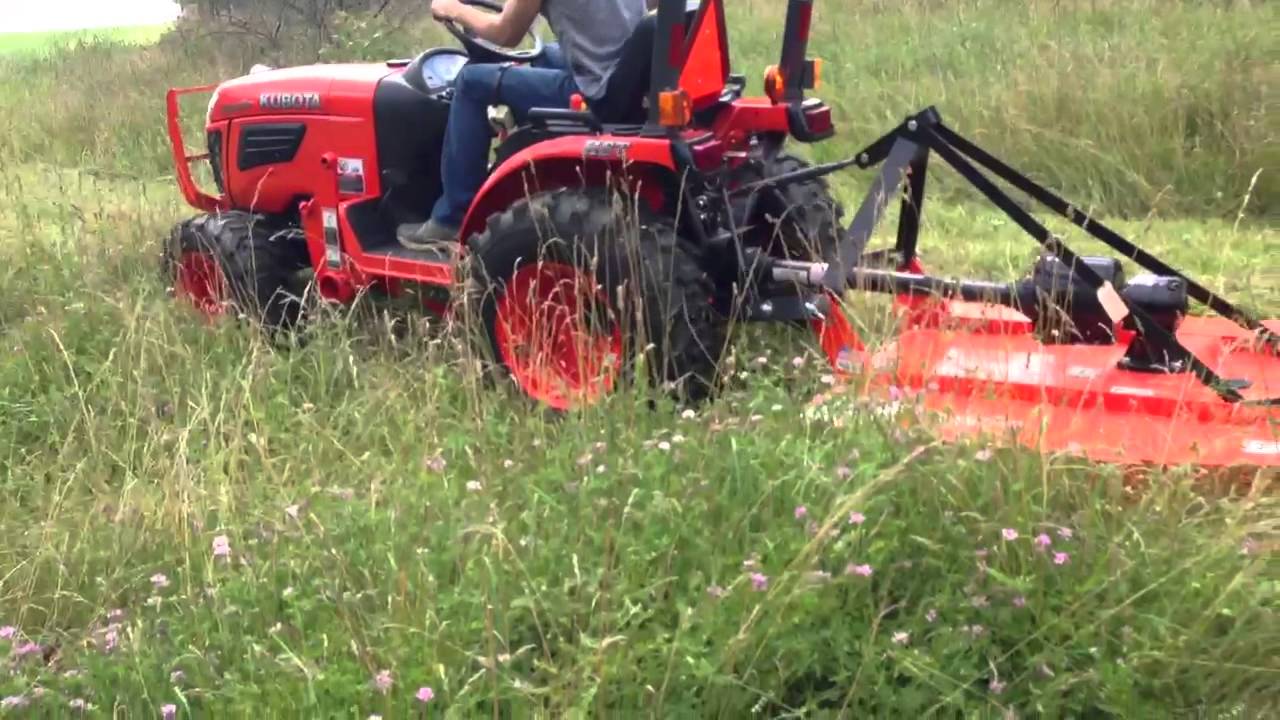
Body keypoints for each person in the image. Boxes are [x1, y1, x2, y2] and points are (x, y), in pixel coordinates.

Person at [397, 0, 652, 250]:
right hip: (629, 77)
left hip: (597, 92)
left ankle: (451, 217)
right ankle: (519, 158)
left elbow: (506, 33)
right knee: (545, 55)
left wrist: (453, 9)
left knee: (470, 83)